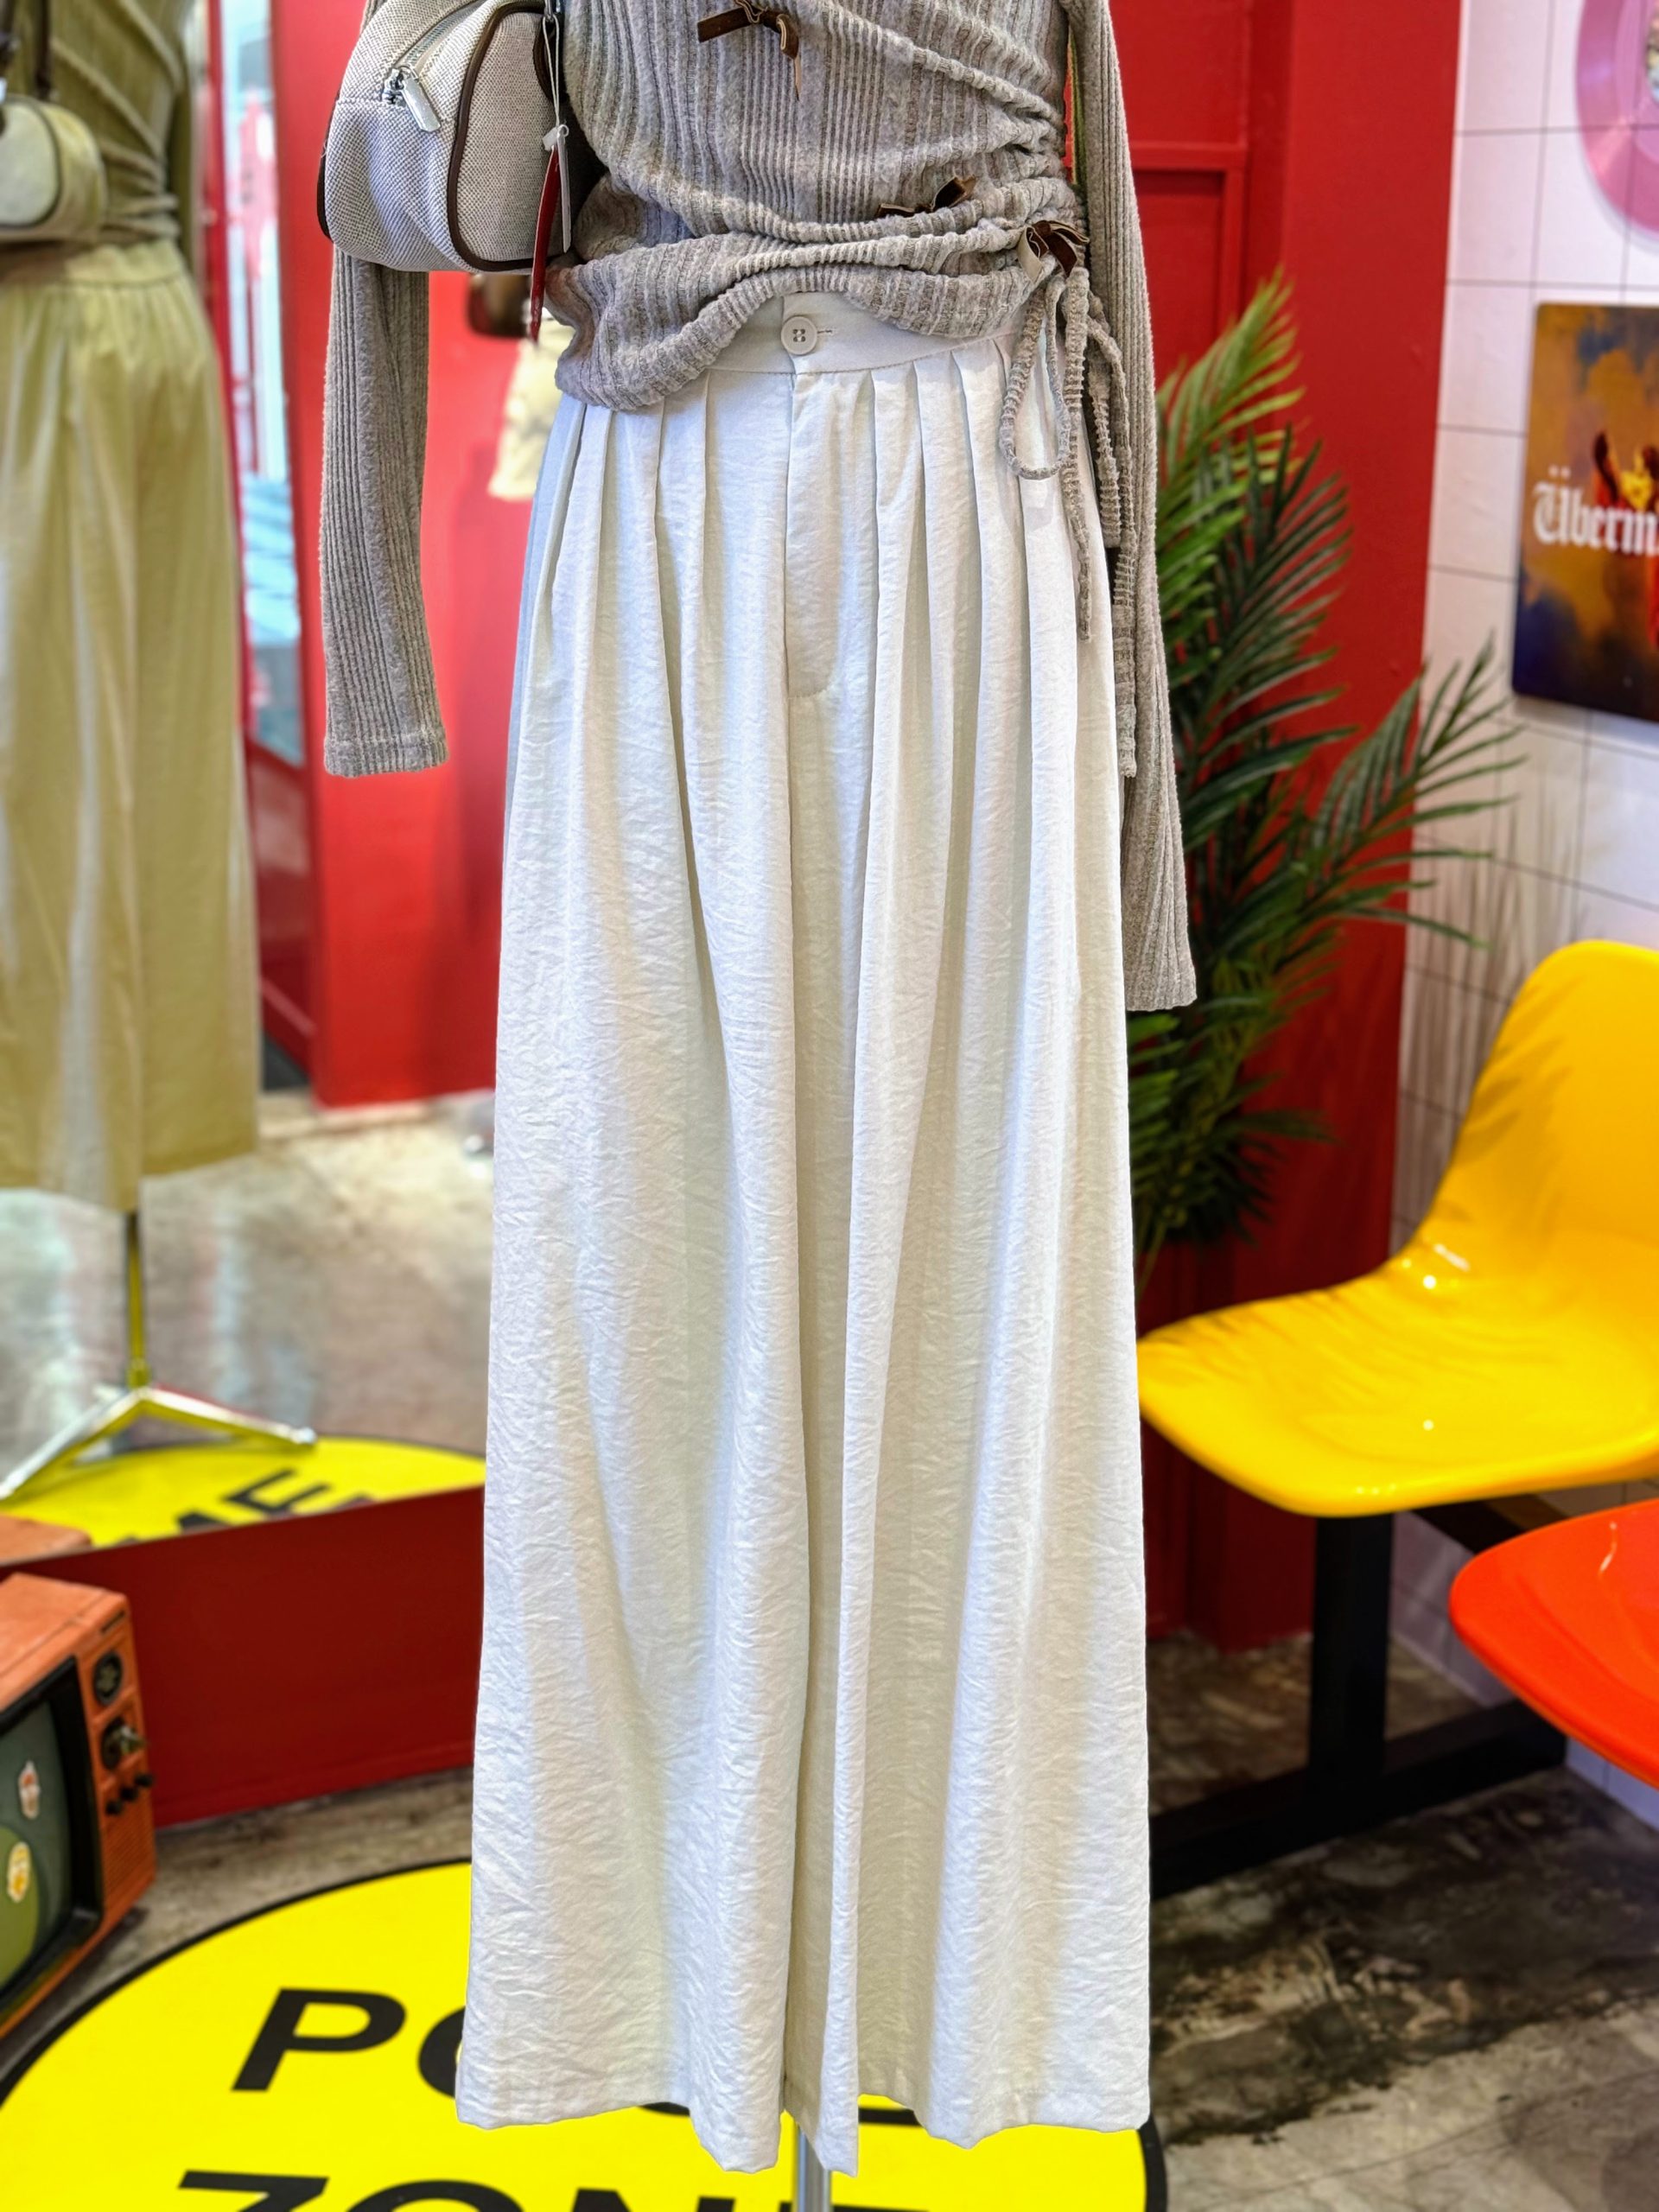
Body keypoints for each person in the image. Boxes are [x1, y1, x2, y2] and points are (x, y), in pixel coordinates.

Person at [321, 0, 1193, 2178]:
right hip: (725, 494)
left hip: (927, 481)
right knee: (656, 1297)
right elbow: (392, 152)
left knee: (949, 1308)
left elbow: (1089, 168)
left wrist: (1139, 830)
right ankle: (686, 2004)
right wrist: (376, 624)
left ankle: (920, 2008)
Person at [0, 0, 257, 1213]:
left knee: (44, 755)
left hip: (42, 327)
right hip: (156, 324)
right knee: (153, 753)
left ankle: (56, 1118)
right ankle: (139, 1106)